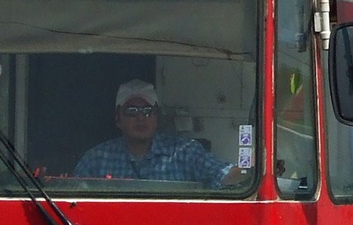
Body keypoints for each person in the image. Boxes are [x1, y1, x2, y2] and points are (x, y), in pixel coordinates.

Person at [71, 80, 237, 186]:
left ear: (157, 117)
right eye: (132, 110)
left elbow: (226, 175)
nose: (141, 117)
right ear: (117, 118)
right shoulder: (96, 159)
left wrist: (258, 173)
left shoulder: (185, 151)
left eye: (148, 111)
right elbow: (74, 201)